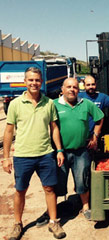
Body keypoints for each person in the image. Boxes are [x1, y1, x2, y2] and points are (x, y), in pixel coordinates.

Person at [2, 67, 66, 239]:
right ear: (25, 81)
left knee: (49, 188)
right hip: (23, 155)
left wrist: (59, 150)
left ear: (41, 82)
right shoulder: (15, 104)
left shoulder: (49, 103)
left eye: (37, 80)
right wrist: (6, 157)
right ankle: (17, 224)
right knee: (20, 190)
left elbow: (54, 128)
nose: (34, 83)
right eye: (30, 80)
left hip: (45, 154)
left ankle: (54, 222)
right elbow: (8, 132)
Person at [54, 78, 104, 220]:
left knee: (83, 180)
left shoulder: (86, 104)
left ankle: (86, 207)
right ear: (62, 89)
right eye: (68, 87)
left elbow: (100, 118)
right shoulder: (54, 105)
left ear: (78, 89)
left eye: (75, 87)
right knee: (58, 181)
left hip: (81, 151)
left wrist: (95, 135)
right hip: (60, 152)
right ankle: (53, 210)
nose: (72, 89)